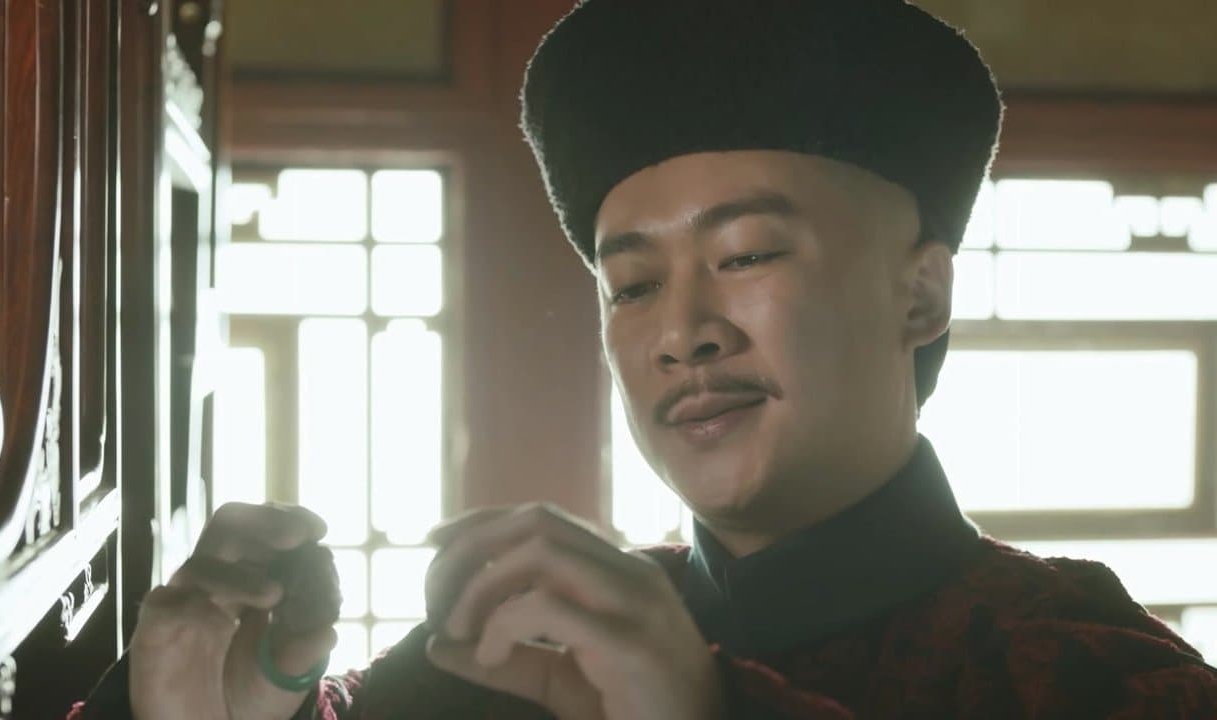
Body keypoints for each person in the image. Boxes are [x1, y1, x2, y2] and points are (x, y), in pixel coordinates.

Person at [71, 0, 1217, 718]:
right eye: (630, 285)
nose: (681, 331)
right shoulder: (528, 641)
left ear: (917, 293)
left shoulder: (1088, 673)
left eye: (746, 254)